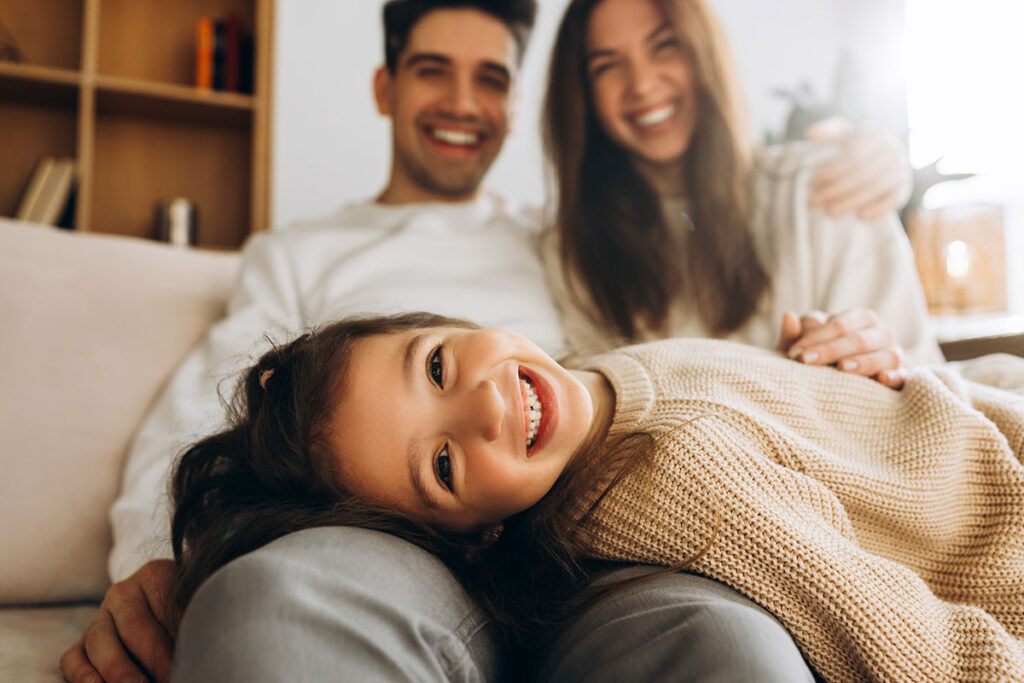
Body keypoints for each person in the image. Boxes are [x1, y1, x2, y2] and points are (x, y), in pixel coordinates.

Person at [58, 1, 920, 682]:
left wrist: (858, 158)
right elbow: (212, 398)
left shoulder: (562, 238)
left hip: (599, 536)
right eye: (435, 72)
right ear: (385, 87)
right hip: (391, 538)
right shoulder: (298, 252)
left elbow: (698, 281)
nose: (465, 103)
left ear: (514, 106)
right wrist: (157, 559)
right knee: (274, 608)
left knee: (722, 642)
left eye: (491, 79)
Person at [168, 312, 1024, 682]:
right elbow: (884, 627)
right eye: (445, 465)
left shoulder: (601, 371)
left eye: (436, 363)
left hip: (980, 406)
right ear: (476, 533)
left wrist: (816, 355)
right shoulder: (679, 491)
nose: (486, 404)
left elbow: (763, 408)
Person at [542, 0, 943, 388]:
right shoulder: (570, 253)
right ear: (582, 97)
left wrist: (877, 366)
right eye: (607, 66)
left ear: (704, 51)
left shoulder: (827, 185)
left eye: (665, 45)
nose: (642, 84)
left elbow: (924, 380)